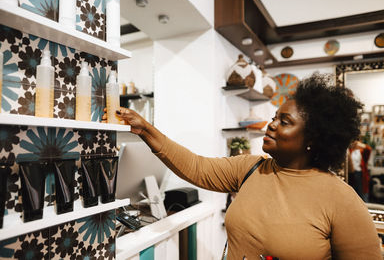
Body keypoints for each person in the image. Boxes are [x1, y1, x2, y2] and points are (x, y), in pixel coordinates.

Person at [109, 73, 382, 259]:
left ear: (313, 138)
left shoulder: (342, 201)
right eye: (274, 117)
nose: (270, 124)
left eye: (284, 121)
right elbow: (196, 167)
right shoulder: (251, 168)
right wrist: (145, 130)